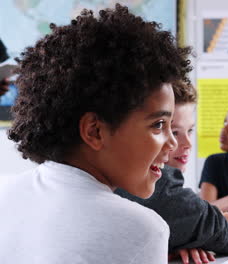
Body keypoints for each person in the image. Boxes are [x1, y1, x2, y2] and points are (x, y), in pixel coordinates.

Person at [0, 4, 191, 263]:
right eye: (158, 124)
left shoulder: (6, 192)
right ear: (95, 131)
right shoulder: (141, 228)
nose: (172, 142)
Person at [115, 80, 228, 264]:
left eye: (190, 130)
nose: (187, 144)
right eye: (174, 131)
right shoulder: (160, 188)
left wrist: (187, 236)